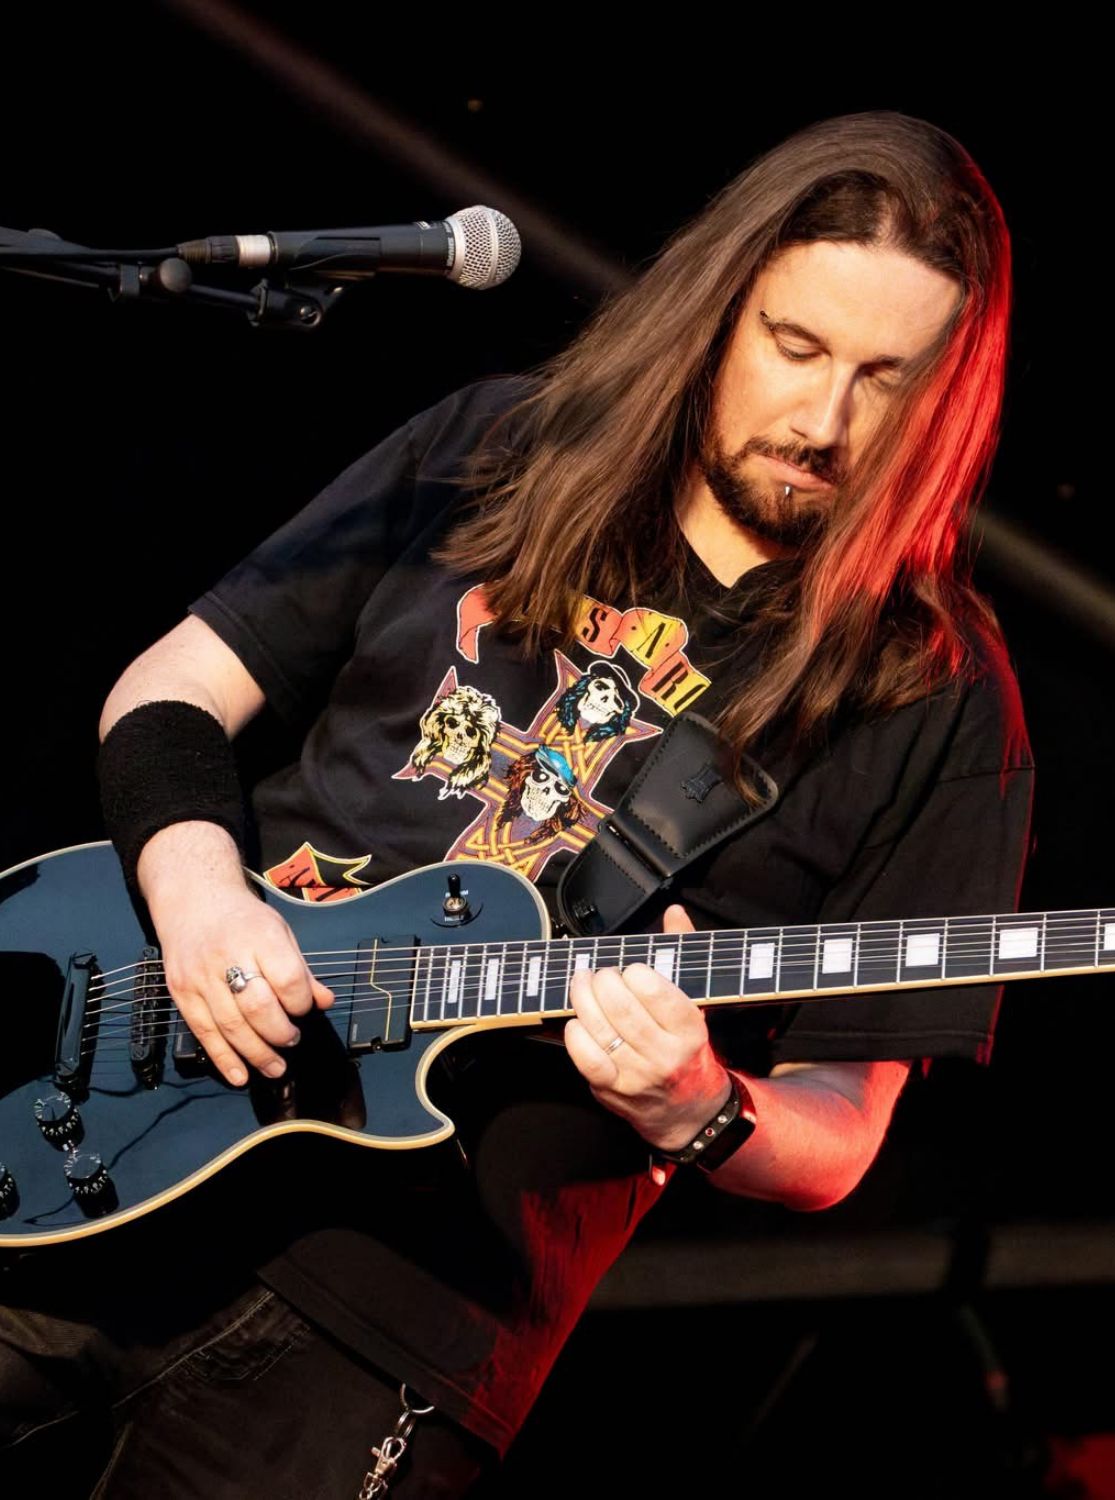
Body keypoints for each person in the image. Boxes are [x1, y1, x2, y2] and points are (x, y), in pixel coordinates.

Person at [1, 110, 1034, 1493]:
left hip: (400, 1323)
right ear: (720, 308)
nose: (824, 421)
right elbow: (176, 686)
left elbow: (845, 1120)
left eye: (883, 379)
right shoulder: (502, 441)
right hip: (108, 1125)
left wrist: (704, 1104)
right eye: (796, 347)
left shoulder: (933, 693)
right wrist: (195, 903)